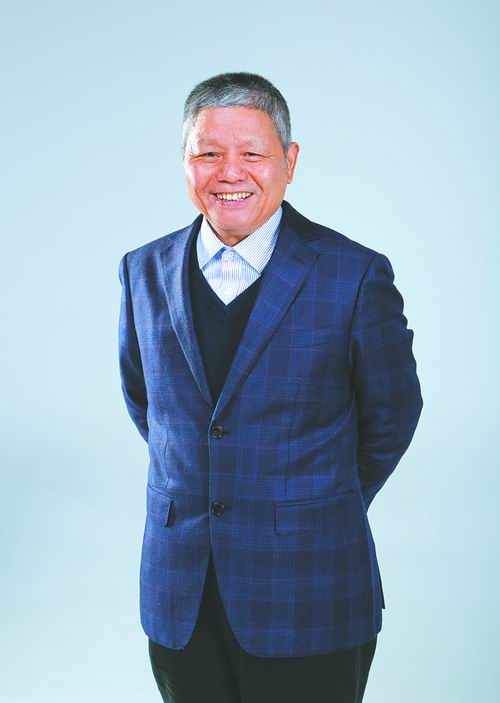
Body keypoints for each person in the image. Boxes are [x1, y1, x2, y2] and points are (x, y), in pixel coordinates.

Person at [118, 71, 423, 703]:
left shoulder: (353, 275)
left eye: (252, 154)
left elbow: (393, 414)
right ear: (185, 162)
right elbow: (147, 402)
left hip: (309, 586)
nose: (229, 172)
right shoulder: (143, 270)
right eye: (208, 153)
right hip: (180, 591)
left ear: (289, 161)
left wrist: (316, 500)